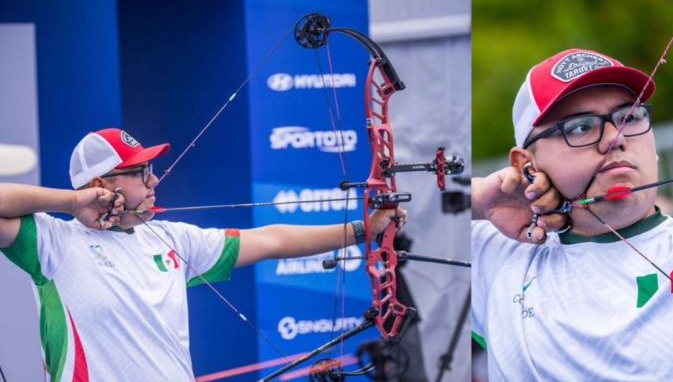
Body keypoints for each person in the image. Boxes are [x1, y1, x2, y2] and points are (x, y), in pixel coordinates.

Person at [0, 128, 404, 381]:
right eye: (140, 172)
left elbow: (271, 240)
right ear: (101, 184)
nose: (154, 179)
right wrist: (72, 202)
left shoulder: (170, 239)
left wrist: (362, 230)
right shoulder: (53, 243)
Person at [471, 49, 673, 380]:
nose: (617, 138)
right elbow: (405, 199)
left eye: (632, 115)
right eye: (580, 127)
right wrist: (479, 197)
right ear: (526, 164)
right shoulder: (497, 262)